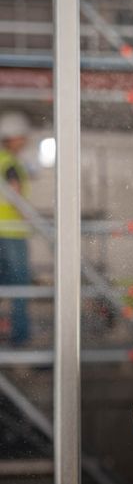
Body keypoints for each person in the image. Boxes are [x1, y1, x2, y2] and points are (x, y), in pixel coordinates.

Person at [0, 112, 32, 347]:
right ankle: (20, 338)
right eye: (21, 137)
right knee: (20, 287)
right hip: (12, 233)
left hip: (3, 232)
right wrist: (30, 217)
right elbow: (15, 195)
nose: (24, 141)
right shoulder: (10, 163)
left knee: (5, 285)